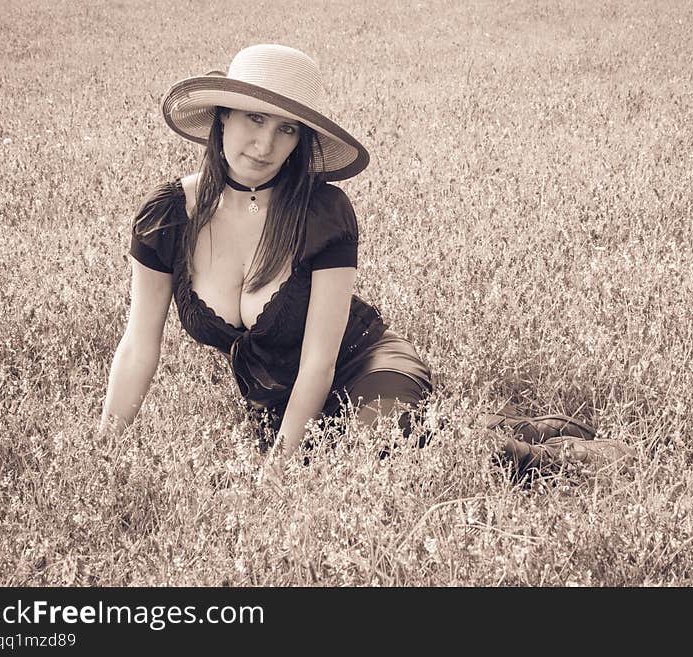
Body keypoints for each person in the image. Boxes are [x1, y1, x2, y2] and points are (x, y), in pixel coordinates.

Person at [99, 44, 634, 488]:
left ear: (301, 142)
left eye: (286, 130)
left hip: (364, 365)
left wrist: (280, 469)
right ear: (222, 119)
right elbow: (139, 344)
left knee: (381, 458)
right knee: (342, 462)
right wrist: (105, 449)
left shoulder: (321, 212)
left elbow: (319, 364)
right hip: (276, 403)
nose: (264, 144)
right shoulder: (168, 217)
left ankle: (555, 457)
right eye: (254, 119)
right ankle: (503, 427)